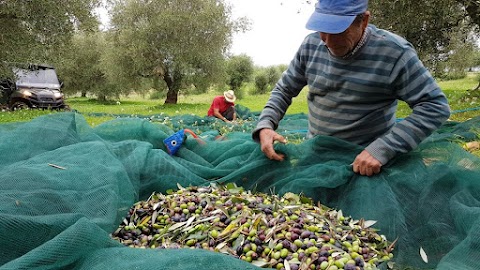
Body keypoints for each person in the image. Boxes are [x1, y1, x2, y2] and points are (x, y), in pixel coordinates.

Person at [252, 0, 450, 176]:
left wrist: (382, 149)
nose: (326, 40)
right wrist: (266, 124)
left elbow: (434, 106)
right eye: (322, 28)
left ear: (363, 21)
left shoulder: (395, 53)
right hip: (316, 155)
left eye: (337, 30)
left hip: (365, 164)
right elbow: (284, 90)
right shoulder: (311, 45)